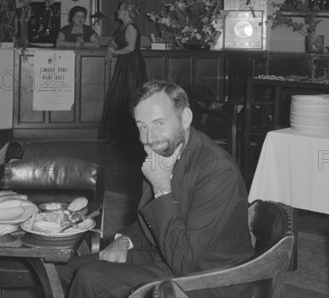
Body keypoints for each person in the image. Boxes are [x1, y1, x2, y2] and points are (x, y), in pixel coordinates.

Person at [58, 80, 253, 298]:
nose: (148, 138)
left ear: (185, 118)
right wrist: (126, 241)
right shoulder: (163, 153)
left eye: (159, 123)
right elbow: (151, 220)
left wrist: (161, 186)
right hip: (164, 252)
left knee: (90, 277)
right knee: (66, 270)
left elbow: (184, 261)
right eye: (142, 126)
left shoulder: (217, 169)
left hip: (209, 277)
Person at [98, 1, 147, 144]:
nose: (117, 12)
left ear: (126, 12)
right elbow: (113, 42)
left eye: (119, 10)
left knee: (131, 94)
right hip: (125, 62)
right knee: (122, 95)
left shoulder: (131, 27)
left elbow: (131, 48)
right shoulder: (123, 27)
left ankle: (131, 135)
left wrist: (114, 52)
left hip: (132, 64)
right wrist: (110, 49)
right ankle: (123, 134)